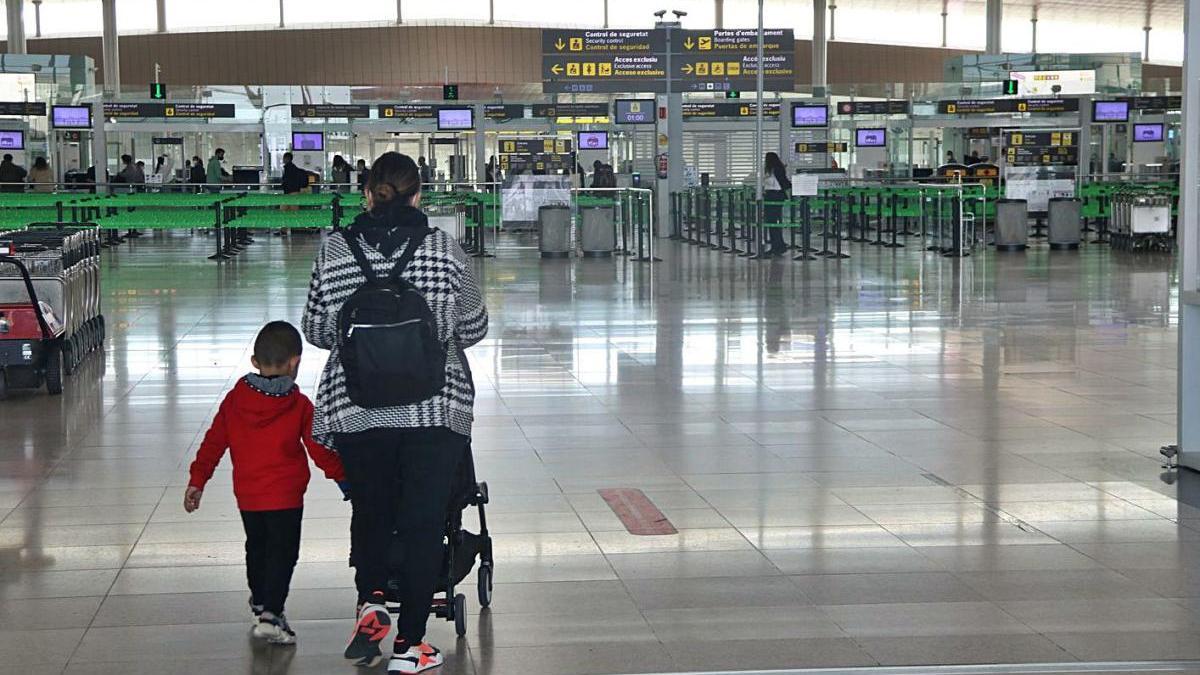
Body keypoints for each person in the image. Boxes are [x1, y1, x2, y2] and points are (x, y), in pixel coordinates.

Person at [301, 151, 488, 674]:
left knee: (372, 510)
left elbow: (316, 331)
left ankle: (373, 600)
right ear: (418, 195)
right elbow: (473, 328)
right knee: (426, 520)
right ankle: (410, 645)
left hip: (357, 410)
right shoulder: (444, 249)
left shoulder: (334, 251)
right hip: (434, 410)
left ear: (367, 192)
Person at [185, 321, 347, 646]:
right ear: (295, 362)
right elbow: (319, 448)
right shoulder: (299, 405)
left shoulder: (234, 400)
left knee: (257, 548)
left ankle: (260, 600)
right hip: (286, 497)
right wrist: (345, 479)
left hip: (248, 496)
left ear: (255, 362)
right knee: (283, 553)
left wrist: (198, 480)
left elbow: (214, 442)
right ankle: (272, 614)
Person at [762, 151, 792, 257]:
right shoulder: (770, 170)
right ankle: (777, 246)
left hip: (775, 196)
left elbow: (783, 182)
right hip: (771, 196)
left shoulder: (776, 169)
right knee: (772, 222)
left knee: (773, 222)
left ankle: (778, 246)